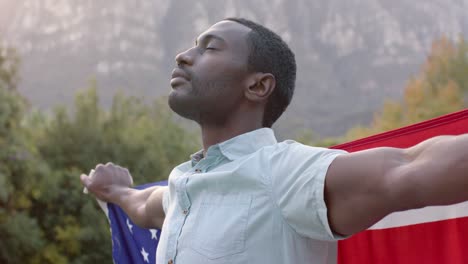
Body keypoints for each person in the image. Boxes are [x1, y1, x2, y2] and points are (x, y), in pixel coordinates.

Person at [80, 17, 468, 264]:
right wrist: (114, 190)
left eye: (209, 48)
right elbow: (143, 204)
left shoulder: (286, 173)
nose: (183, 56)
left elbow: (411, 168)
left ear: (258, 85)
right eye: (191, 46)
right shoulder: (181, 186)